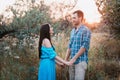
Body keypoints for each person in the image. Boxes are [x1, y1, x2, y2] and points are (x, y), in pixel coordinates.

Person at [65, 10, 91, 80]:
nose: (72, 20)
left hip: (80, 62)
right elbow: (69, 46)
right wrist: (66, 60)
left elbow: (84, 46)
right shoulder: (72, 31)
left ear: (80, 18)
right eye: (72, 18)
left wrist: (74, 58)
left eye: (74, 18)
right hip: (71, 62)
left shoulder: (86, 30)